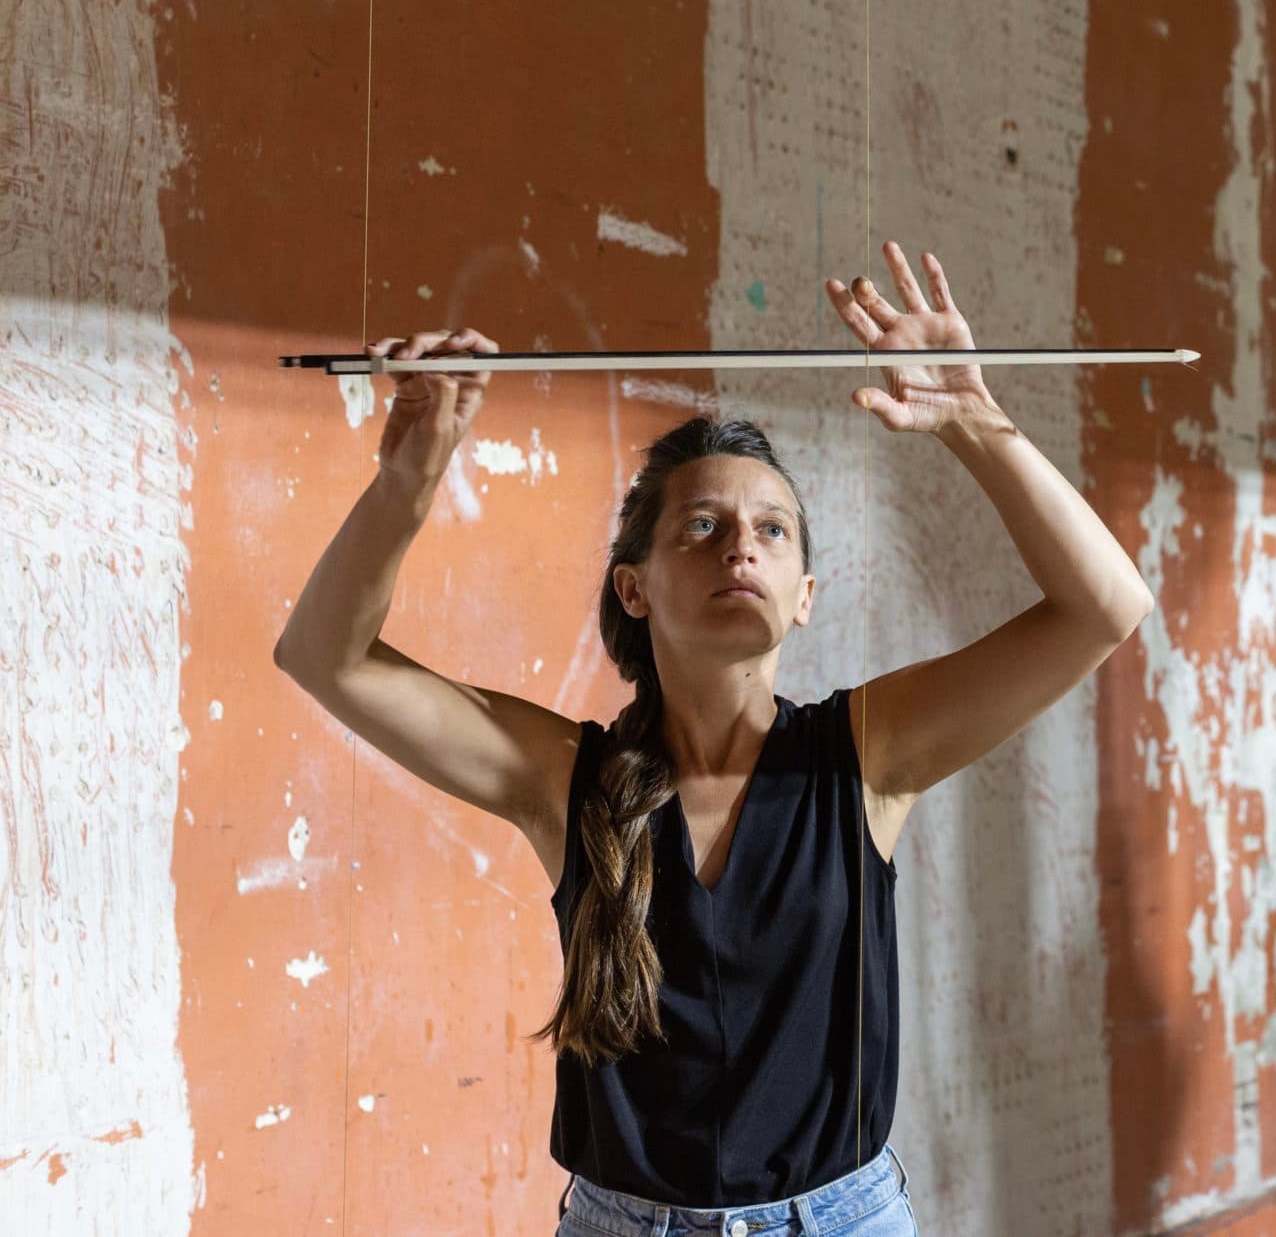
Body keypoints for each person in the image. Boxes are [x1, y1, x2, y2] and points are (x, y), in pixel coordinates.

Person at [274, 241, 1155, 1236]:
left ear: (806, 596)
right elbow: (326, 657)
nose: (742, 542)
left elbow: (1105, 608)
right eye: (700, 525)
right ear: (633, 587)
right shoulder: (569, 777)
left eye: (774, 530)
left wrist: (971, 418)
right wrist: (410, 476)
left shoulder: (865, 757)